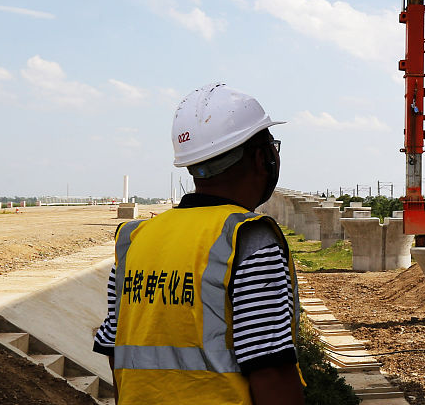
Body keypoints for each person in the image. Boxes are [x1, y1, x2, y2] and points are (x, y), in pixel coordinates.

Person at [93, 83, 304, 404]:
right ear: (262, 157)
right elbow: (271, 370)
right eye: (272, 146)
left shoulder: (134, 240)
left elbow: (115, 352)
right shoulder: (248, 238)